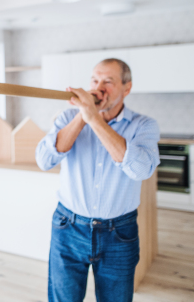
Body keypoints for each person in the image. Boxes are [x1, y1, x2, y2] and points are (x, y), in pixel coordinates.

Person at [36, 58, 160, 302]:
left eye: (108, 81)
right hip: (68, 227)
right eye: (95, 80)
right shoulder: (68, 117)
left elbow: (141, 170)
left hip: (119, 234)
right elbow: (44, 160)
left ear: (127, 88)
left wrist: (94, 119)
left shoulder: (143, 125)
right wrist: (83, 116)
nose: (99, 86)